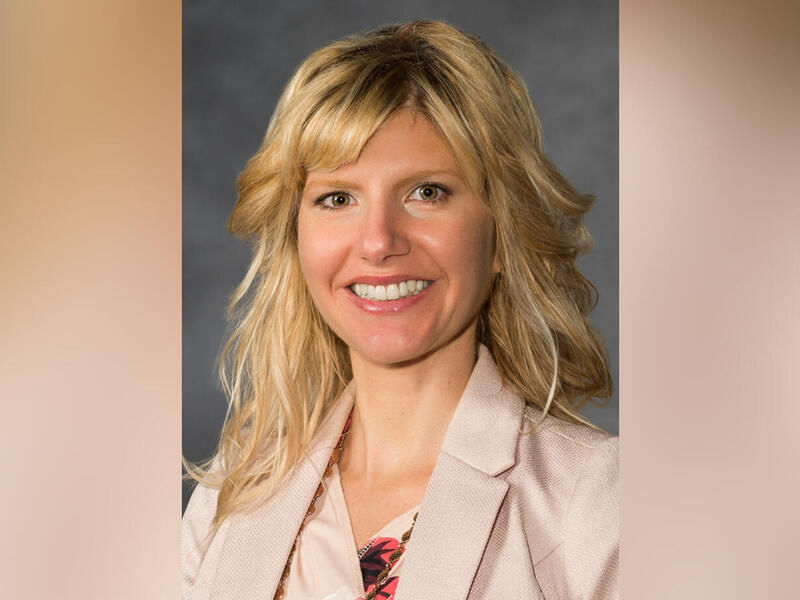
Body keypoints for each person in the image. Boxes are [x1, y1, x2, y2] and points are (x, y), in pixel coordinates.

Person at [183, 20, 617, 600]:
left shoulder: (597, 500)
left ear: (501, 235)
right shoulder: (232, 491)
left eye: (427, 193)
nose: (378, 242)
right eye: (338, 198)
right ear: (297, 239)